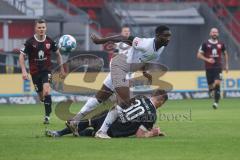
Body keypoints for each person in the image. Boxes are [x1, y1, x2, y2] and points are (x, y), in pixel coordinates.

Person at [90, 25, 171, 138]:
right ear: (157, 35)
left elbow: (146, 59)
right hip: (120, 67)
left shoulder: (160, 48)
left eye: (169, 36)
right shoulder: (145, 43)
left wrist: (144, 71)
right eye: (166, 35)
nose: (168, 38)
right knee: (124, 103)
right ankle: (101, 131)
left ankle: (81, 124)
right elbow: (124, 38)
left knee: (114, 101)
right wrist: (101, 41)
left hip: (127, 71)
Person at [65, 26, 134, 135]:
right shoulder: (124, 43)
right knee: (124, 102)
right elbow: (115, 54)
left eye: (127, 31)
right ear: (121, 32)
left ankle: (75, 120)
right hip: (121, 71)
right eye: (124, 31)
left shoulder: (131, 43)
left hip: (118, 70)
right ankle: (105, 130)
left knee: (99, 97)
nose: (126, 32)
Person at [47, 89, 168, 138]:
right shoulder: (152, 115)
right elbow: (140, 135)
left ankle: (58, 133)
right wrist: (154, 132)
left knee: (90, 122)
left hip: (108, 117)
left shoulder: (140, 97)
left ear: (152, 95)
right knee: (93, 132)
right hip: (116, 130)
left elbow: (122, 104)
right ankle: (84, 133)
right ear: (162, 102)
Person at [19, 19, 65, 124]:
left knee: (47, 90)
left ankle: (47, 116)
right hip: (34, 72)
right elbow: (21, 56)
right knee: (41, 96)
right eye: (39, 27)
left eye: (43, 27)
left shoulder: (50, 41)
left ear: (46, 28)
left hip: (46, 70)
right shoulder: (30, 42)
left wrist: (61, 68)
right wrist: (23, 71)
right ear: (35, 28)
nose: (41, 29)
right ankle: (46, 103)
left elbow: (58, 54)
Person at [197, 27, 229, 109]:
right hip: (209, 68)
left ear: (218, 34)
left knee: (217, 83)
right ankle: (212, 91)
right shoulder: (205, 44)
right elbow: (199, 55)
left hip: (218, 67)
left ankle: (216, 103)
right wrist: (207, 59)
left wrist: (226, 65)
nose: (214, 34)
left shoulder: (221, 44)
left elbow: (225, 54)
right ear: (210, 34)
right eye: (213, 32)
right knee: (211, 86)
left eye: (216, 32)